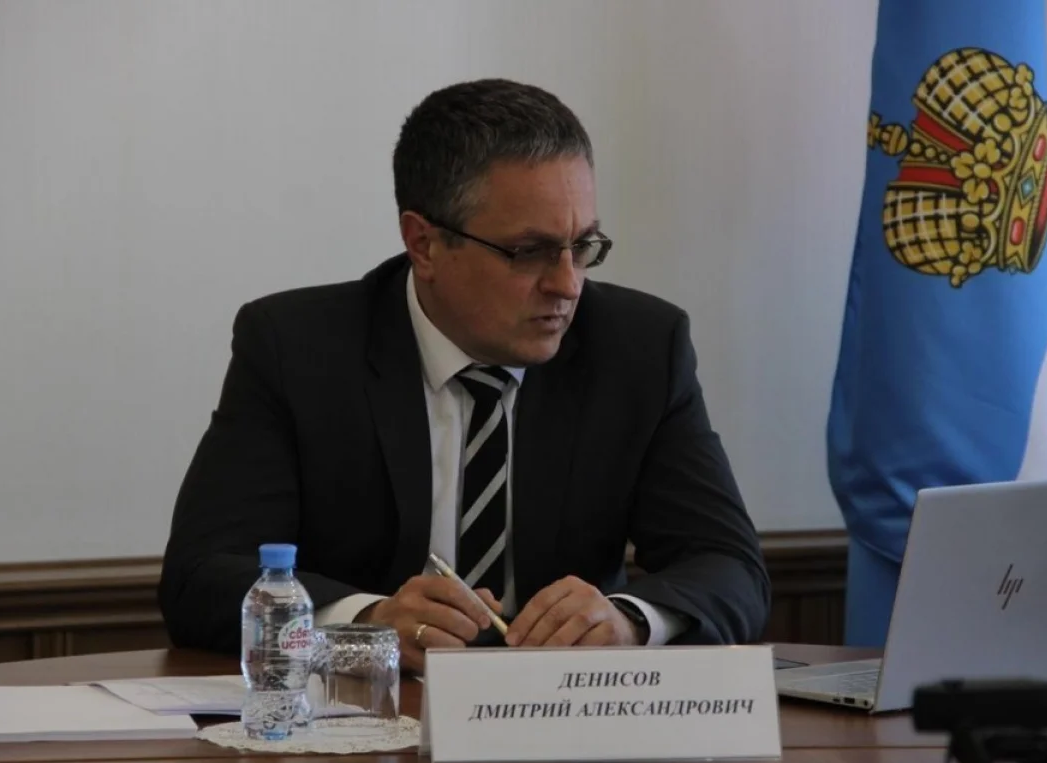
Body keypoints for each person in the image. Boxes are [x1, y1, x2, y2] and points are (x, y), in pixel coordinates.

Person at [159, 78, 770, 672]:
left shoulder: (640, 348)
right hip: (365, 717)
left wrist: (628, 621)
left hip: (565, 713)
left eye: (584, 245)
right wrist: (367, 622)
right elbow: (200, 576)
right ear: (423, 244)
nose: (567, 284)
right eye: (528, 251)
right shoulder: (297, 349)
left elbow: (730, 567)